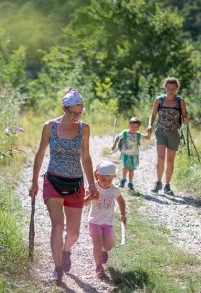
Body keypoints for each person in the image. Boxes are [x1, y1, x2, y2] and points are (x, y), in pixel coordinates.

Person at [29, 88, 98, 283]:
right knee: (58, 226)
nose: (77, 116)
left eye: (80, 112)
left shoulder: (84, 128)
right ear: (64, 108)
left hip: (75, 183)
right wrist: (34, 180)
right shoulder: (49, 126)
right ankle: (57, 269)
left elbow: (85, 156)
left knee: (74, 232)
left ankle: (66, 250)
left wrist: (92, 182)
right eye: (73, 112)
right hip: (53, 181)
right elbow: (40, 153)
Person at [147, 77, 190, 196]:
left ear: (177, 89)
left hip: (173, 134)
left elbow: (185, 116)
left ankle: (167, 185)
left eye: (173, 88)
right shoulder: (159, 100)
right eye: (168, 88)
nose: (171, 90)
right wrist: (150, 125)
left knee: (170, 161)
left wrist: (186, 119)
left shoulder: (180, 101)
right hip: (160, 131)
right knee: (160, 158)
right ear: (165, 88)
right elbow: (153, 115)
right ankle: (158, 182)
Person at [83, 161, 126, 280]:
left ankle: (103, 251)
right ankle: (99, 267)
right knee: (97, 243)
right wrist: (90, 197)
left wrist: (123, 214)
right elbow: (83, 203)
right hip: (94, 221)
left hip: (108, 223)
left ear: (113, 178)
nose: (106, 182)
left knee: (108, 246)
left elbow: (121, 201)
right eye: (103, 179)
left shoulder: (114, 190)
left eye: (109, 180)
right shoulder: (92, 187)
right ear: (97, 176)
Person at [111, 116, 152, 191]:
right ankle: (123, 180)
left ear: (138, 128)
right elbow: (117, 137)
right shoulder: (125, 133)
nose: (134, 128)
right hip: (125, 154)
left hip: (134, 155)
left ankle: (130, 183)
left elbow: (147, 137)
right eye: (132, 126)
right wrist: (114, 145)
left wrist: (149, 132)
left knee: (131, 169)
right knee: (125, 167)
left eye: (136, 127)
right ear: (129, 125)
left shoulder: (138, 135)